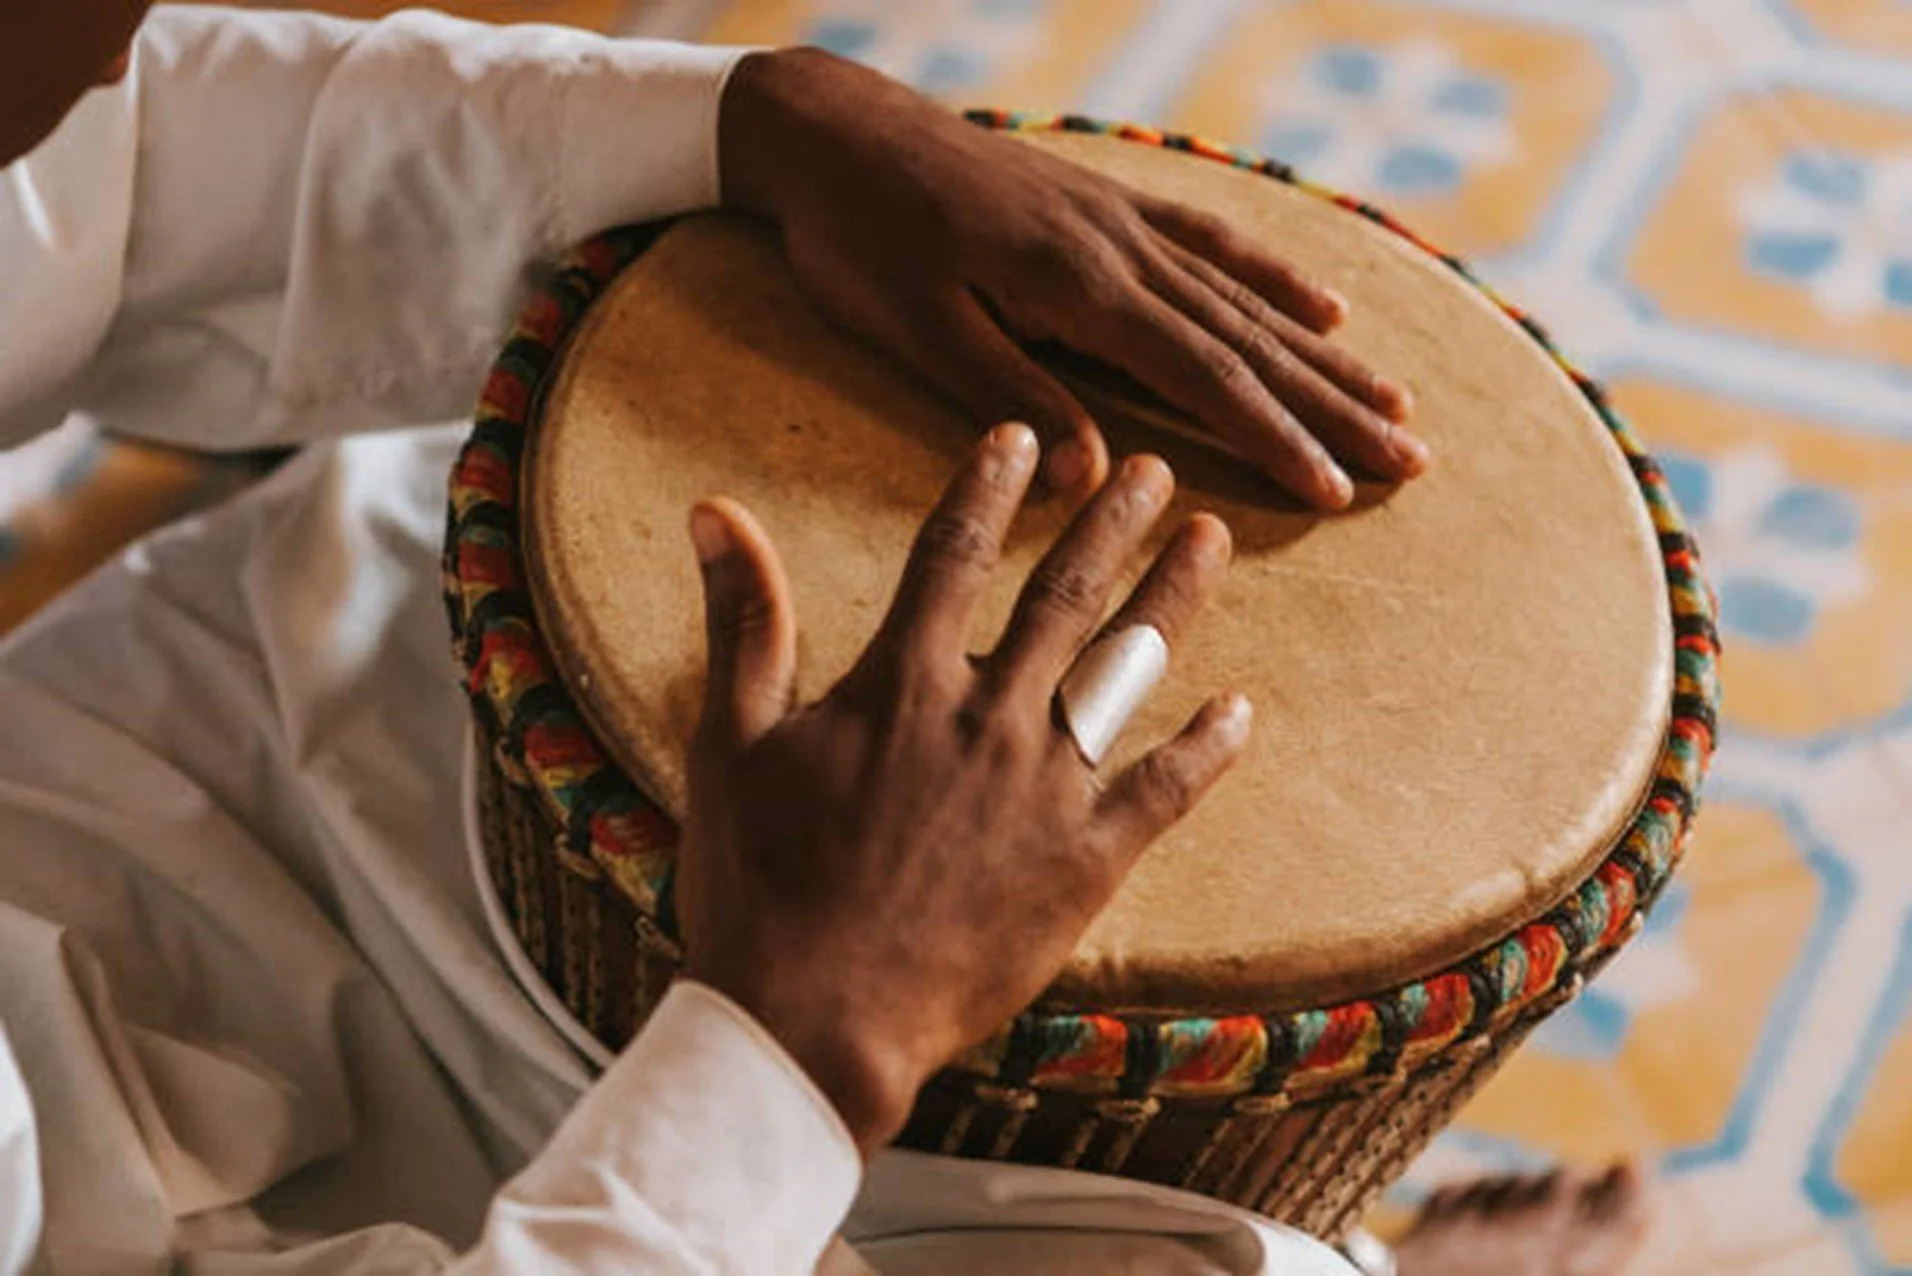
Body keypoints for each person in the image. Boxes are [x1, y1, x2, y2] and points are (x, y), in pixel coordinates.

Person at [0, 3, 1645, 1272]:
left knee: (473, 522)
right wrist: (806, 1044)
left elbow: (96, 167)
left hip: (99, 801)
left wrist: (750, 126)